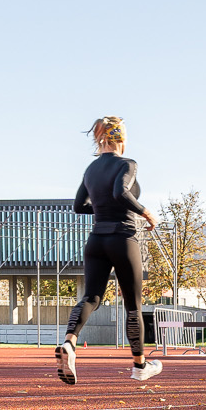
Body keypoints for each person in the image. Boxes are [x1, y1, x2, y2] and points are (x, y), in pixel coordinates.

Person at [58, 115, 160, 384]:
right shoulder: (127, 163)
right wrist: (146, 213)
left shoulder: (90, 170)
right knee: (133, 306)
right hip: (122, 238)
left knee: (91, 297)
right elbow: (121, 193)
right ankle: (140, 366)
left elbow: (79, 206)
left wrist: (103, 209)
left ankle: (69, 342)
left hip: (96, 240)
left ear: (100, 138)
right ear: (122, 139)